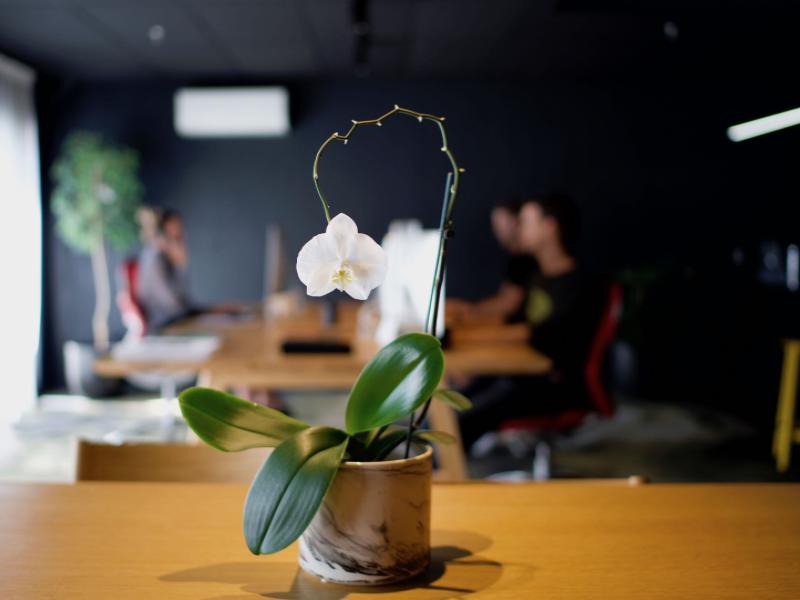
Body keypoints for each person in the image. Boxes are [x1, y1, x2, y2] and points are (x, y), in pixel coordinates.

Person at [456, 194, 606, 450]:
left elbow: (534, 333)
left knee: (463, 422)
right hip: (524, 375)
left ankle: (447, 481)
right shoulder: (537, 276)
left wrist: (460, 338)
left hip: (555, 386)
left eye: (525, 221)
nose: (518, 228)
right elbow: (513, 322)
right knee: (452, 406)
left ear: (550, 227)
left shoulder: (578, 284)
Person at [448, 199, 537, 324]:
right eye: (495, 224)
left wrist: (465, 309)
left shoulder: (527, 259)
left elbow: (508, 303)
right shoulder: (516, 260)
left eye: (502, 222)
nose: (498, 229)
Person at [136, 209, 197, 331]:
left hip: (177, 320)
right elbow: (175, 306)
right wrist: (181, 265)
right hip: (164, 325)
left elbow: (184, 302)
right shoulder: (154, 259)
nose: (180, 235)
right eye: (175, 229)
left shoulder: (164, 257)